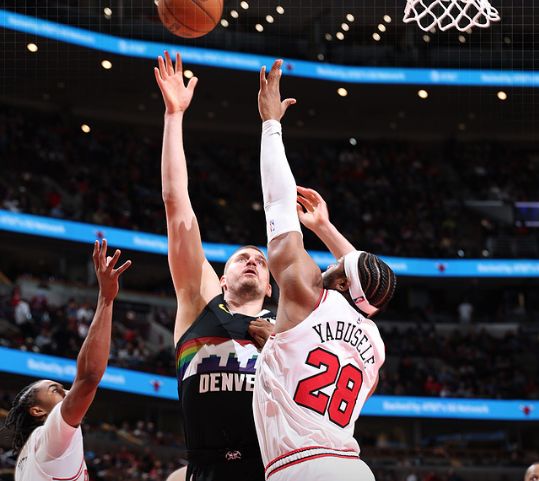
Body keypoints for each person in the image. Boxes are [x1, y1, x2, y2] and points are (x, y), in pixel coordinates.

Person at [154, 51, 359, 481]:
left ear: (270, 286)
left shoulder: (290, 322)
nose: (252, 259)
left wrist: (324, 228)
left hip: (274, 468)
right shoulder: (197, 303)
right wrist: (174, 116)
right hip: (207, 468)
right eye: (241, 258)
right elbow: (176, 205)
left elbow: (359, 286)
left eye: (260, 260)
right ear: (221, 278)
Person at [253, 59, 397, 481]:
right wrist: (326, 228)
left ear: (339, 279)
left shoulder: (306, 293)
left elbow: (279, 203)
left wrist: (270, 125)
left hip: (301, 467)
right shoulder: (375, 349)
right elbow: (367, 291)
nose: (331, 261)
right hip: (354, 467)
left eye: (336, 264)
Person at [3, 240, 131, 481]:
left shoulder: (28, 457)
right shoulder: (50, 439)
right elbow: (88, 378)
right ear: (38, 410)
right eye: (56, 390)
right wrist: (106, 299)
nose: (68, 391)